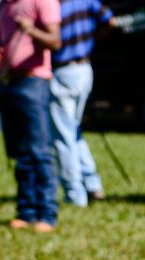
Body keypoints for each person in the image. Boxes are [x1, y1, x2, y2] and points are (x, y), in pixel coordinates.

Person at [0, 0, 62, 233]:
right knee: (19, 151)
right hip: (8, 82)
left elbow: (55, 41)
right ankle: (26, 211)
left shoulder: (43, 2)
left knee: (39, 150)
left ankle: (47, 213)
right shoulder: (3, 5)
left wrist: (31, 30)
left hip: (33, 82)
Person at [50, 0, 114, 207]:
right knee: (73, 130)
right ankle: (92, 183)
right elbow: (110, 21)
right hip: (84, 69)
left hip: (63, 71)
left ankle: (74, 194)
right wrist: (91, 41)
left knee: (63, 136)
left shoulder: (53, 6)